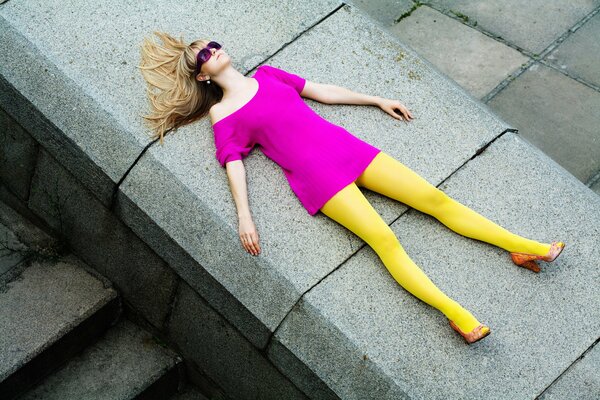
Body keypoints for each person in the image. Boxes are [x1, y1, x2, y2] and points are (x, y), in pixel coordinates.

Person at [138, 32, 566, 344]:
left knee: (436, 200)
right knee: (386, 240)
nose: (214, 52)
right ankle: (456, 314)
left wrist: (376, 99)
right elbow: (233, 161)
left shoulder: (269, 75)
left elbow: (320, 92)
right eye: (204, 57)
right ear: (200, 77)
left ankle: (523, 245)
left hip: (347, 149)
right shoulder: (223, 113)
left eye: (212, 44)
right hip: (316, 177)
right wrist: (244, 216)